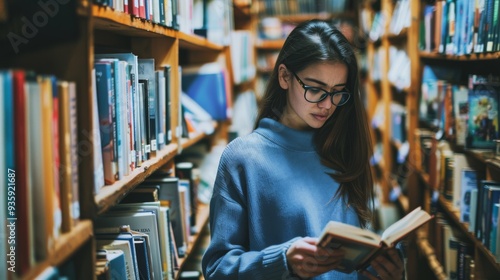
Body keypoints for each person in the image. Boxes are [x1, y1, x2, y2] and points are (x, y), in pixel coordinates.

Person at [201, 19, 405, 280]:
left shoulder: (343, 149)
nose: (327, 105)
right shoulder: (243, 158)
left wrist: (386, 273)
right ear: (285, 76)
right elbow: (217, 270)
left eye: (337, 92)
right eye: (315, 89)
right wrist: (282, 260)